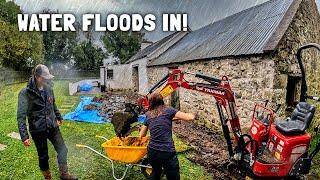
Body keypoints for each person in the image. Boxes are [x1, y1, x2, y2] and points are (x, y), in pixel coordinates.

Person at [17, 64, 77, 180]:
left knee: (63, 149)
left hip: (52, 125)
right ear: (36, 76)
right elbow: (21, 116)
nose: (46, 80)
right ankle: (48, 178)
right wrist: (24, 135)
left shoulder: (49, 88)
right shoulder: (25, 93)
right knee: (43, 156)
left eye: (47, 78)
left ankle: (64, 175)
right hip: (38, 129)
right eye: (44, 78)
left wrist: (58, 116)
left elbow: (52, 104)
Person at [139, 92, 196, 180]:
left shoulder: (148, 115)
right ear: (162, 100)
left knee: (156, 172)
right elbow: (189, 118)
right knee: (173, 176)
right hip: (167, 151)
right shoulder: (168, 110)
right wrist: (193, 114)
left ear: (151, 102)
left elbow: (141, 134)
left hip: (152, 151)